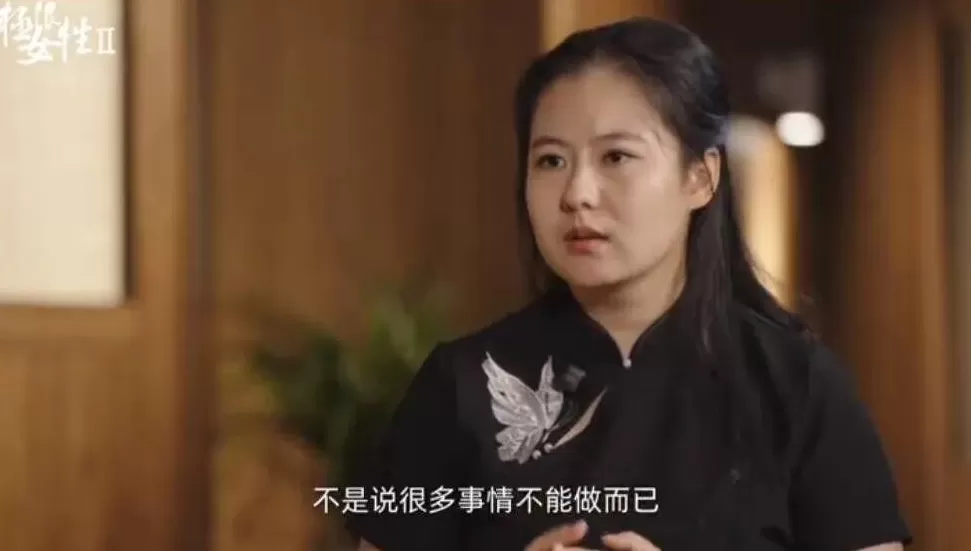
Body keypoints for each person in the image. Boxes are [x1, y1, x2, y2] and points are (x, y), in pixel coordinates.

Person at [343, 16, 912, 551]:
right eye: (550, 161)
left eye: (616, 156)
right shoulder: (458, 386)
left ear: (701, 177)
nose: (577, 194)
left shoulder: (797, 388)